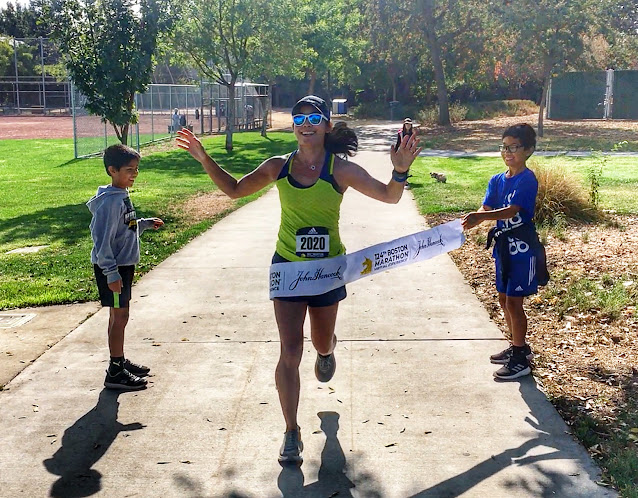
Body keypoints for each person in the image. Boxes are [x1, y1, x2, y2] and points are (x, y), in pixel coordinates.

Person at [176, 95, 421, 465]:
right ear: (293, 126)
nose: (305, 123)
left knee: (320, 342)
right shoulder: (279, 166)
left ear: (325, 126)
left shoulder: (340, 170)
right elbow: (234, 189)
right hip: (288, 268)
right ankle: (291, 431)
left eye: (314, 117)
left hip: (327, 272)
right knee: (290, 351)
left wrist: (399, 170)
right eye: (298, 118)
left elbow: (389, 196)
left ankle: (327, 348)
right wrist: (203, 157)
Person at [461, 123, 543, 380]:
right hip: (503, 248)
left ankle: (520, 358)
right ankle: (517, 347)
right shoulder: (497, 180)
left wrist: (479, 217)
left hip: (522, 248)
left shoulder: (526, 179)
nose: (508, 153)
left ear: (528, 150)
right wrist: (471, 218)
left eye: (514, 148)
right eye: (504, 147)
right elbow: (486, 207)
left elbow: (512, 211)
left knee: (515, 302)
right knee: (503, 299)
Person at [87, 144, 164, 390]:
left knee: (117, 316)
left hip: (122, 267)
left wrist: (143, 224)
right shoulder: (109, 203)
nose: (135, 174)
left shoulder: (120, 196)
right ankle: (115, 371)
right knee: (120, 317)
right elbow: (102, 240)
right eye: (129, 170)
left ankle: (118, 360)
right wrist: (111, 273)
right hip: (115, 269)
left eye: (136, 169)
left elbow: (125, 226)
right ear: (112, 170)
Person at [395, 118, 415, 189]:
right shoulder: (400, 133)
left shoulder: (412, 133)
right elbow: (398, 142)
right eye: (406, 124)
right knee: (401, 165)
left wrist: (413, 151)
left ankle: (405, 180)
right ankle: (402, 181)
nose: (408, 125)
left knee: (407, 166)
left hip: (409, 151)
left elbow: (414, 142)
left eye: (409, 124)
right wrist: (395, 151)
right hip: (401, 151)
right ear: (404, 124)